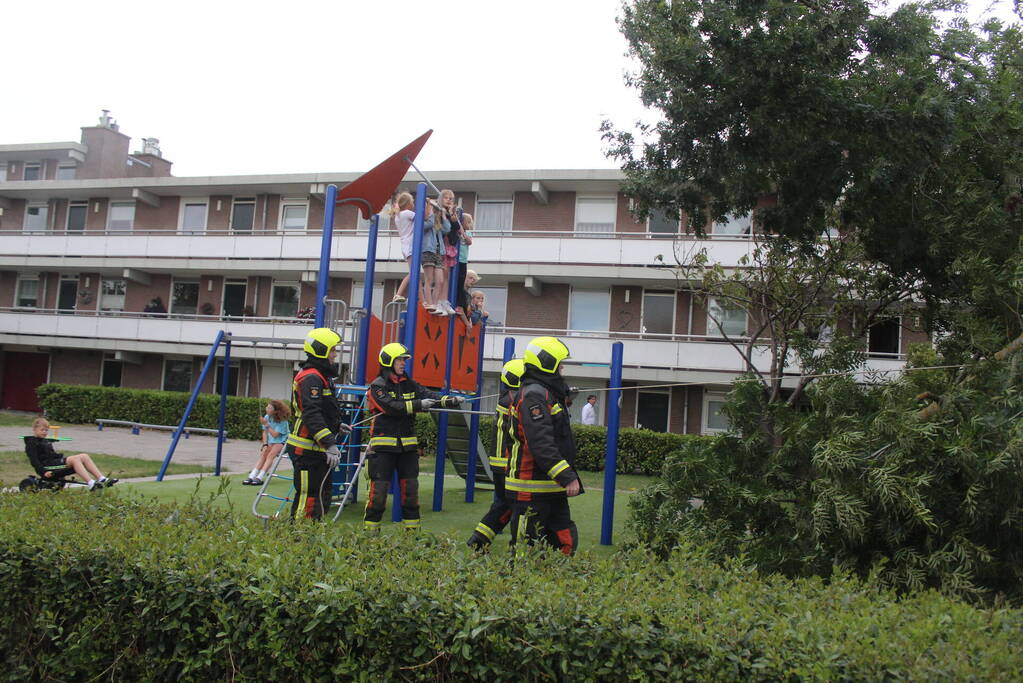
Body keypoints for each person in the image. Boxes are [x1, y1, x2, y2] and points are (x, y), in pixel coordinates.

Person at [364, 342, 463, 532]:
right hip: (383, 448)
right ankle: (370, 537)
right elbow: (392, 407)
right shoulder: (378, 386)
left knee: (410, 493)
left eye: (404, 360)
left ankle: (412, 538)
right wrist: (418, 404)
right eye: (399, 360)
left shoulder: (410, 384)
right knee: (378, 495)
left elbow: (430, 396)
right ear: (389, 361)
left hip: (408, 449)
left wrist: (450, 401)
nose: (403, 363)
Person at [506, 336, 582, 555]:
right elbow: (541, 443)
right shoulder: (533, 396)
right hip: (531, 488)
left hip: (549, 486)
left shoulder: (545, 393)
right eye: (560, 364)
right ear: (547, 363)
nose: (562, 369)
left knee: (564, 541)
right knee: (525, 549)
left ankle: (554, 586)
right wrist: (566, 475)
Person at [285, 328, 350, 520]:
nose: (335, 355)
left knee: (321, 497)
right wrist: (330, 443)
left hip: (315, 449)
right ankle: (298, 540)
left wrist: (336, 426)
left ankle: (311, 539)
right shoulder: (312, 377)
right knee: (309, 498)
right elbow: (312, 413)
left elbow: (323, 410)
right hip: (306, 450)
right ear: (321, 350)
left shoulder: (320, 376)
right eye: (332, 350)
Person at [467, 358, 525, 550]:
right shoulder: (515, 400)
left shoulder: (507, 397)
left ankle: (478, 540)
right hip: (507, 463)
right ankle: (518, 547)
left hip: (499, 462)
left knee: (503, 505)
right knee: (518, 506)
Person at [24, 417, 117, 491]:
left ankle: (101, 478)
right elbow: (34, 461)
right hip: (47, 467)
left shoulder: (45, 441)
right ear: (34, 429)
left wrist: (60, 456)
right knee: (75, 459)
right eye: (42, 430)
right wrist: (44, 472)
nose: (45, 432)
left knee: (84, 456)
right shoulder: (31, 443)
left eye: (46, 430)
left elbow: (51, 454)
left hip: (53, 462)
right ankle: (90, 483)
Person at [243, 399, 291, 486]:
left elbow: (275, 435)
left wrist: (266, 424)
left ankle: (260, 477)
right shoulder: (267, 417)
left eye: (269, 408)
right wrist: (265, 444)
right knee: (264, 454)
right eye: (267, 407)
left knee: (270, 455)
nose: (266, 409)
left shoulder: (283, 420)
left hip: (283, 442)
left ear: (275, 411)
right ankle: (252, 476)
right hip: (271, 441)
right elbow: (265, 432)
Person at [421, 198, 450, 315]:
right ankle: (429, 303)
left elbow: (447, 229)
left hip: (438, 252)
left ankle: (436, 303)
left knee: (440, 281)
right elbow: (429, 224)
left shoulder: (436, 224)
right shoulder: (424, 222)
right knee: (429, 279)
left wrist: (443, 215)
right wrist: (430, 208)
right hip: (428, 251)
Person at [390, 192, 415, 303]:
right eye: (412, 202)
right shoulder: (407, 213)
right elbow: (421, 218)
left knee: (414, 272)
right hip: (410, 245)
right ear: (408, 203)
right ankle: (398, 294)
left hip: (405, 245)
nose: (413, 204)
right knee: (413, 272)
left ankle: (411, 295)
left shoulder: (398, 215)